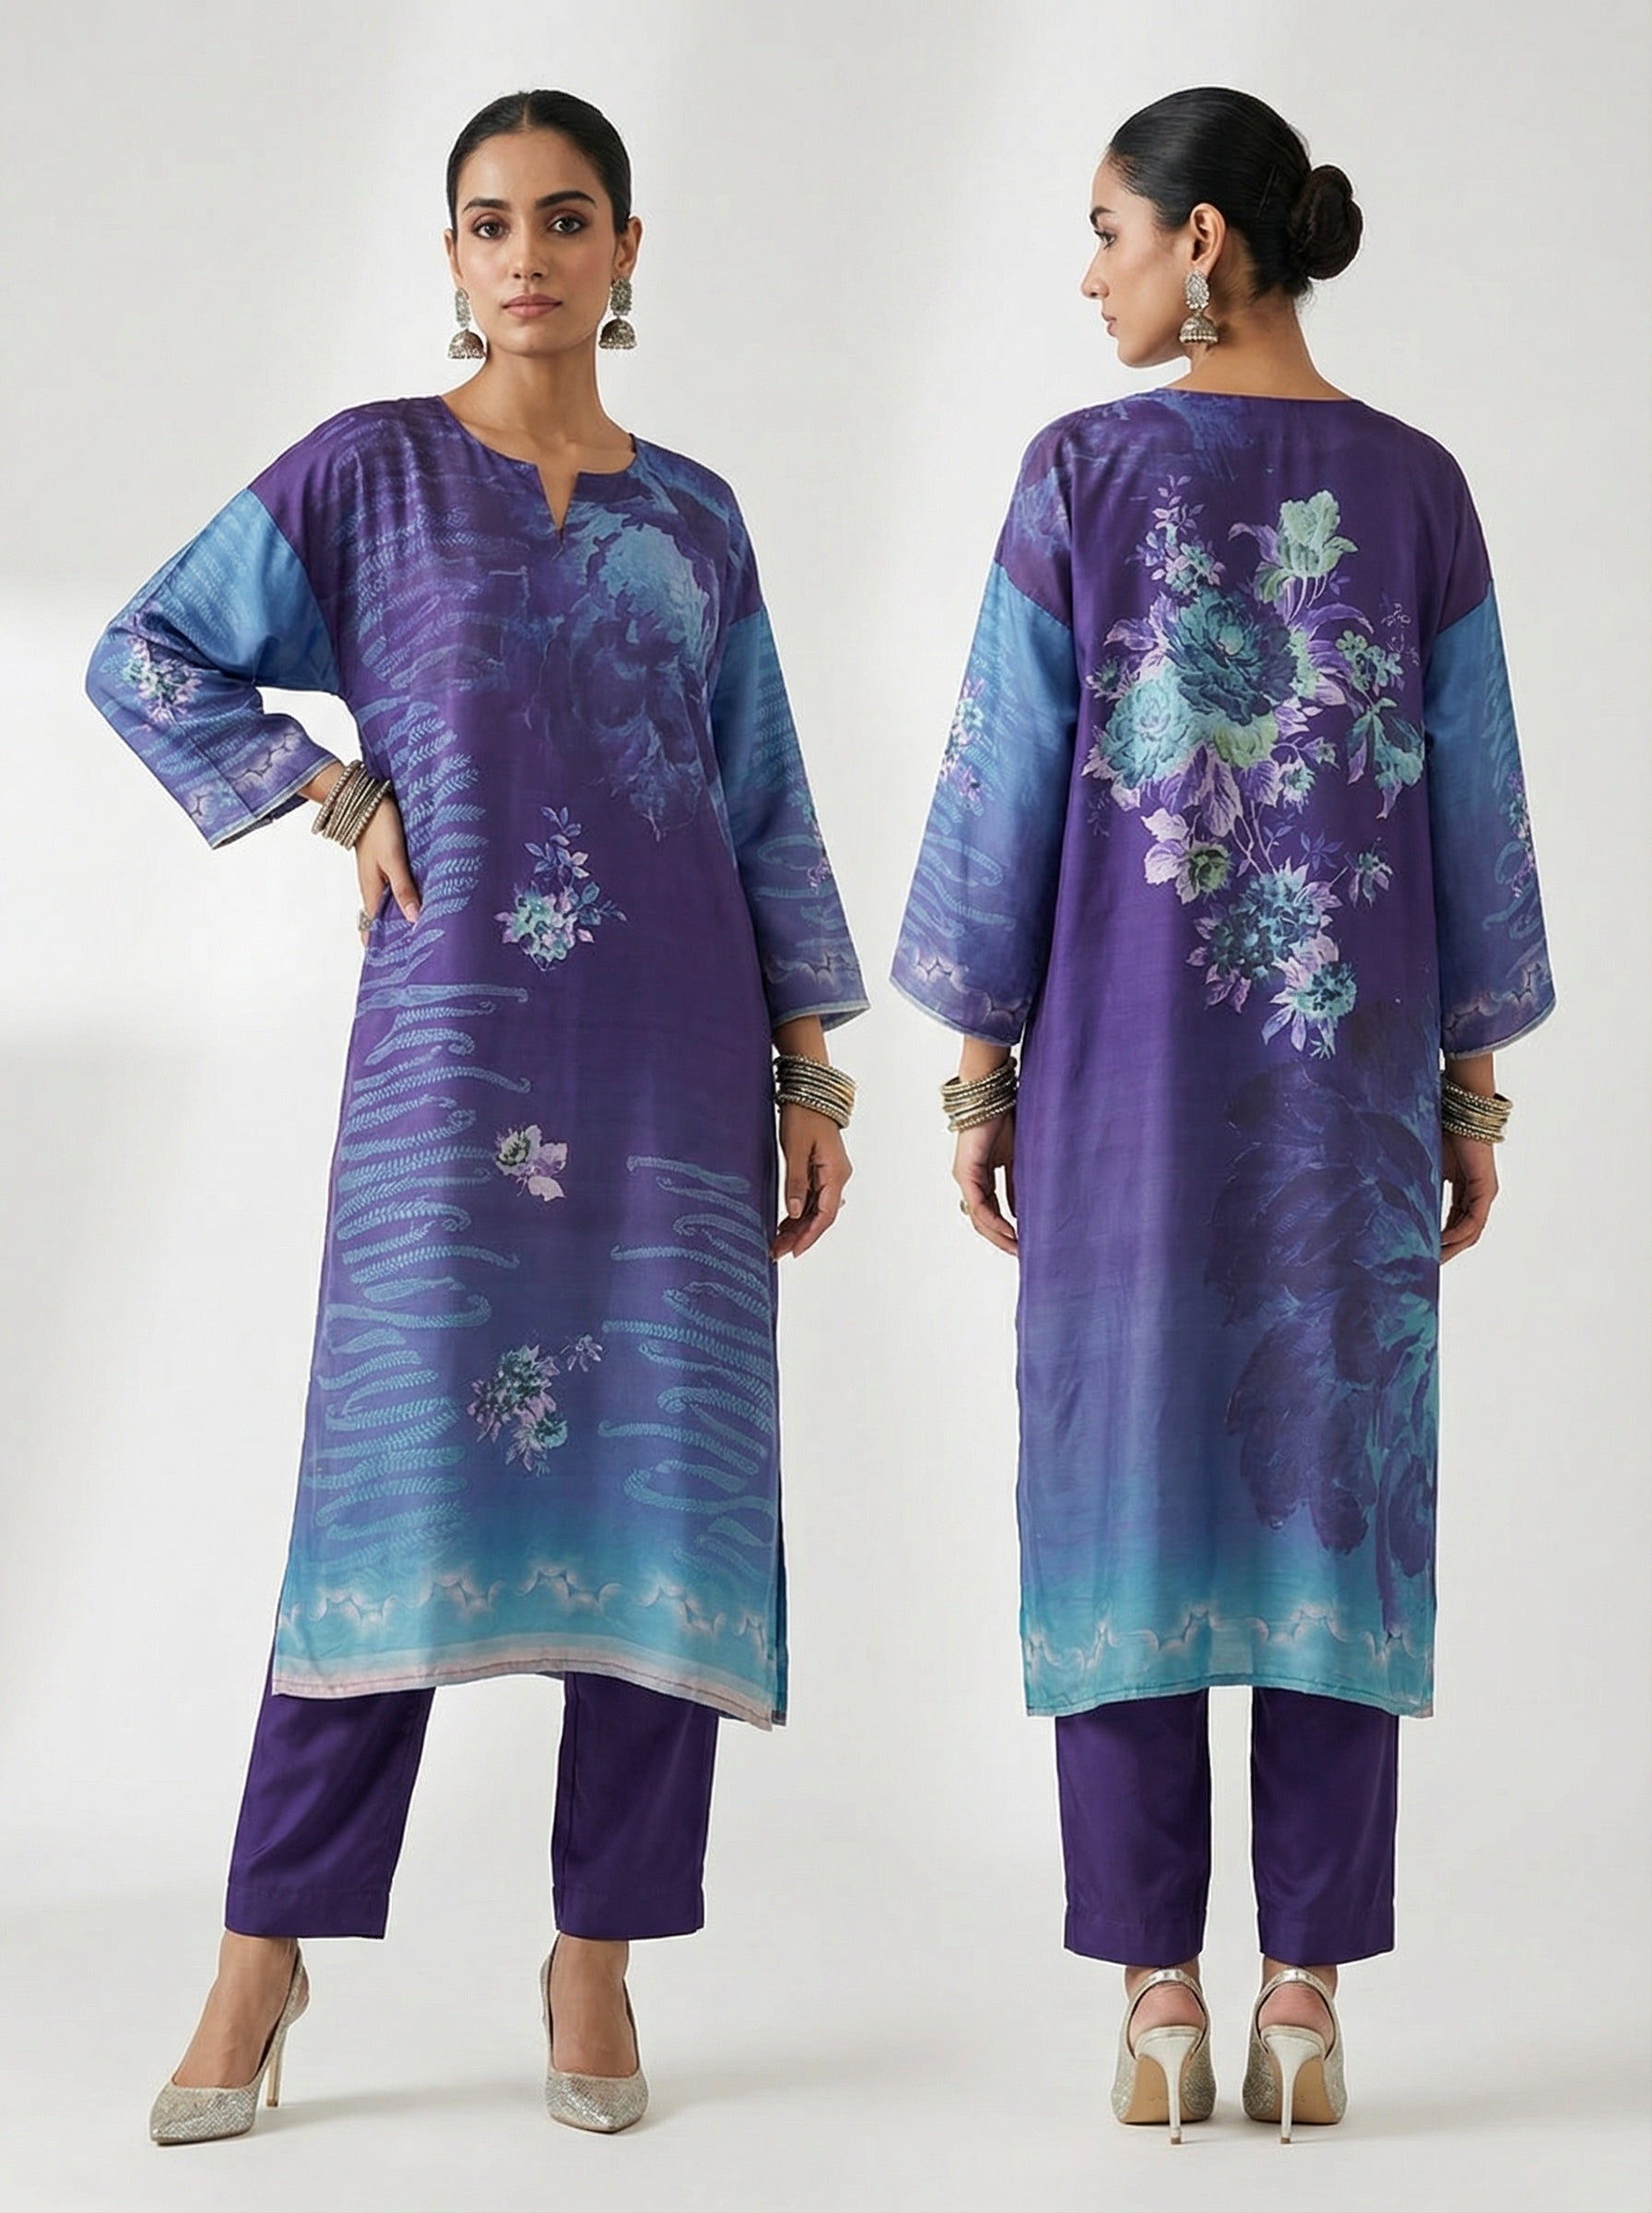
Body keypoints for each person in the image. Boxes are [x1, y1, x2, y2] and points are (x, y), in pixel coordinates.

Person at [88, 88, 866, 2143]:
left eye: (568, 218)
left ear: (626, 253)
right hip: (453, 1072)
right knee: (385, 1499)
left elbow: (762, 798)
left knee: (663, 1496)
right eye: (492, 221)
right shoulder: (366, 476)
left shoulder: (695, 518)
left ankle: (596, 1957)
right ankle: (262, 1955)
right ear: (449, 254)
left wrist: (806, 1066)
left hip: (678, 1072)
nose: (529, 254)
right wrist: (334, 788)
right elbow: (143, 650)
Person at [892, 86, 1552, 2144]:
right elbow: (1472, 815)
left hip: (1119, 1094)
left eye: (1105, 229)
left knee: (1120, 1489)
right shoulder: (1417, 489)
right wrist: (1469, 1093)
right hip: (1347, 1104)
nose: (1084, 273)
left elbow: (1007, 787)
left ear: (1198, 243)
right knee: (1330, 1494)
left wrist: (977, 1069)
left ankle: (1156, 1998)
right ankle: (1303, 1999)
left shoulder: (1081, 475)